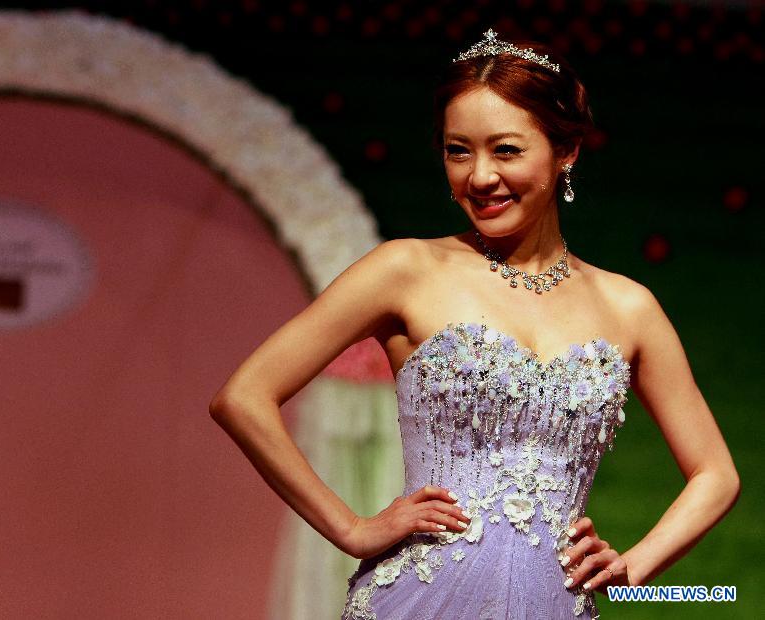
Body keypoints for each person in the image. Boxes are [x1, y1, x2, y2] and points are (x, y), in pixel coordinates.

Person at [209, 28, 740, 620]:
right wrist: (352, 529)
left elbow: (715, 474)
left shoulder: (629, 307)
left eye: (506, 150)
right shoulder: (405, 270)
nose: (479, 176)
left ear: (566, 152)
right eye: (458, 150)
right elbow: (244, 397)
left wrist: (631, 571)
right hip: (418, 600)